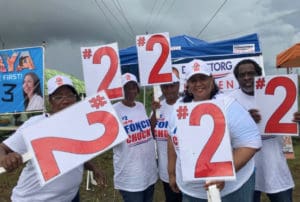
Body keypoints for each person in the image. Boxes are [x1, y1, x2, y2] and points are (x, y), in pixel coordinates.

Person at [167, 59, 262, 202]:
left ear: (211, 80)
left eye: (202, 78)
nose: (198, 84)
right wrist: (172, 173)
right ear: (187, 84)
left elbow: (251, 142)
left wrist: (222, 173)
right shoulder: (178, 108)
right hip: (191, 192)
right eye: (193, 80)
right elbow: (171, 139)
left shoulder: (228, 105)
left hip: (232, 190)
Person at [0, 75, 106, 202]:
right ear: (50, 101)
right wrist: (4, 158)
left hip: (70, 196)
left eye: (69, 96)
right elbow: (2, 148)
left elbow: (76, 153)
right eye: (59, 97)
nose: (65, 100)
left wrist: (93, 168)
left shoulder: (79, 124)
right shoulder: (36, 124)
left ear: (75, 99)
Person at [231, 59, 295, 202]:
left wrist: (295, 121)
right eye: (242, 75)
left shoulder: (277, 94)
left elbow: (290, 130)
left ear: (259, 75)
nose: (247, 77)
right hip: (245, 170)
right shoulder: (229, 100)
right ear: (237, 78)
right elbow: (225, 133)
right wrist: (246, 121)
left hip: (275, 166)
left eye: (251, 73)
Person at [113, 73, 158, 202]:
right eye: (126, 88)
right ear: (121, 90)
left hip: (148, 170)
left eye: (133, 87)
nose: (131, 91)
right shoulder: (114, 110)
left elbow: (149, 129)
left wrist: (154, 112)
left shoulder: (140, 106)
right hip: (130, 176)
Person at [150, 73, 182, 202]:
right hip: (165, 170)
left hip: (184, 169)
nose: (168, 89)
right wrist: (153, 114)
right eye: (165, 86)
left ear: (178, 86)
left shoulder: (186, 104)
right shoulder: (158, 107)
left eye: (172, 86)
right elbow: (152, 133)